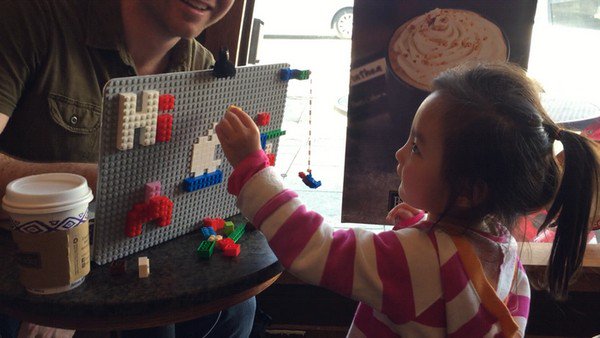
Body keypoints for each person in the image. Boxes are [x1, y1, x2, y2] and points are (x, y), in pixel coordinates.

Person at [215, 62, 600, 337]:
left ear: (468, 191)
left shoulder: (414, 258)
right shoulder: (503, 247)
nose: (400, 154)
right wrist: (427, 225)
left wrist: (253, 168)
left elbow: (314, 247)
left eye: (416, 147)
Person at [0, 0, 257, 337]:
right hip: (24, 258)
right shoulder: (32, 18)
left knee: (235, 309)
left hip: (131, 250)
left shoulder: (201, 66)